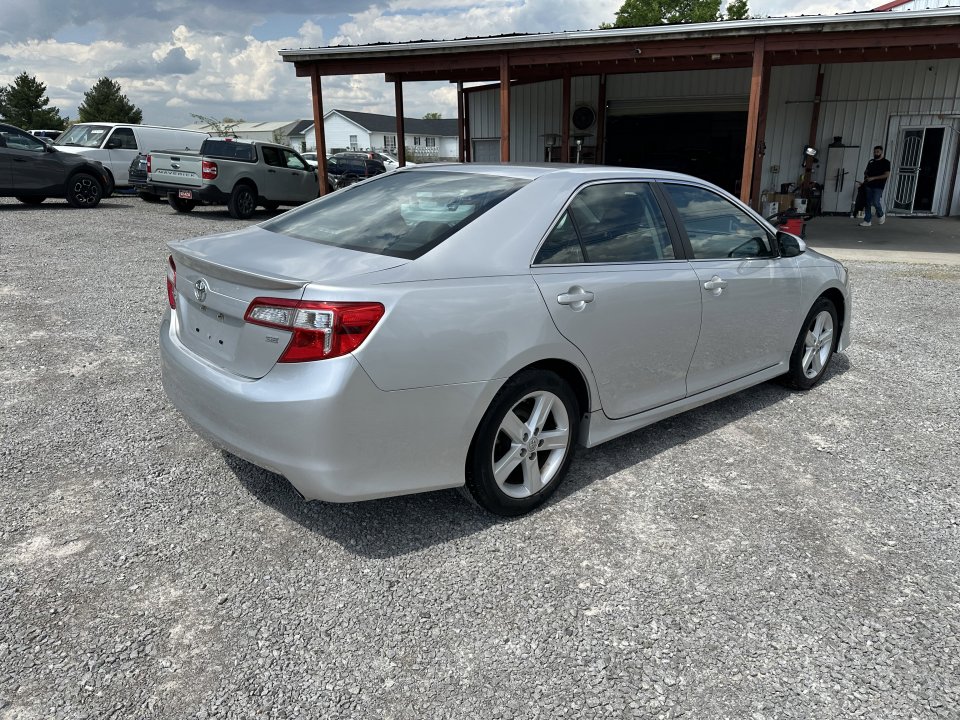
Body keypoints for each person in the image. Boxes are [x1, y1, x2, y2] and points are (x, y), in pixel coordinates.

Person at [859, 145, 891, 227]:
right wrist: (864, 180)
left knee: (876, 202)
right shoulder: (871, 161)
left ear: (881, 152)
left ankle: (881, 214)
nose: (876, 153)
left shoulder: (886, 162)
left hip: (878, 186)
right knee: (868, 203)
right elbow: (866, 172)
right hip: (868, 185)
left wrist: (873, 178)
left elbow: (886, 175)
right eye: (874, 152)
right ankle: (867, 221)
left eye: (877, 152)